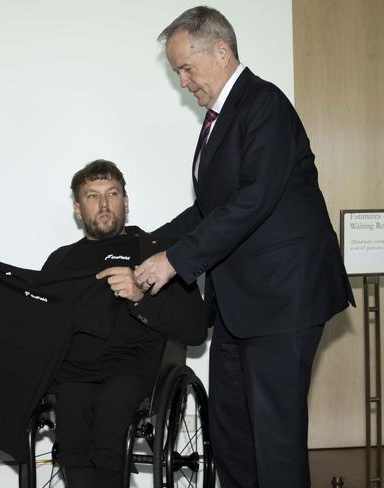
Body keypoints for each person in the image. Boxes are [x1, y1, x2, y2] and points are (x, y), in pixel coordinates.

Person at [134, 7, 355, 488]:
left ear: (221, 49)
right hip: (241, 304)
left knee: (274, 438)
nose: (183, 82)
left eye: (186, 68)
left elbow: (254, 201)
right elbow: (210, 209)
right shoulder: (219, 119)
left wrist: (176, 260)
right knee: (231, 431)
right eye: (176, 73)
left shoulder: (264, 105)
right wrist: (145, 243)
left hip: (283, 300)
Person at [42, 159, 205, 488]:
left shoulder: (156, 252)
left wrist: (140, 298)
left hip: (130, 368)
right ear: (77, 208)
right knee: (71, 420)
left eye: (112, 193)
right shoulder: (60, 260)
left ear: (125, 202)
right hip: (75, 371)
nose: (103, 204)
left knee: (110, 421)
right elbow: (40, 325)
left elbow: (195, 328)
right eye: (92, 196)